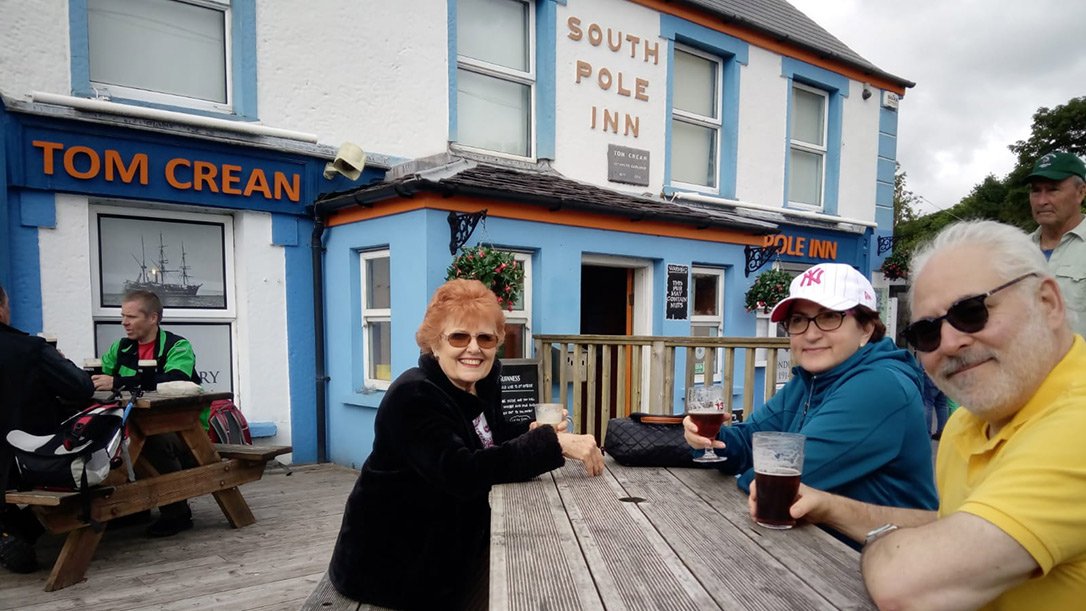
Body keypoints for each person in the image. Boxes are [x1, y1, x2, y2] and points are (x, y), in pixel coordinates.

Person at [765, 220, 1085, 609]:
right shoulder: (969, 421)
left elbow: (909, 587)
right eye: (928, 332)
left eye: (971, 312)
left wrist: (881, 546)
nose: (949, 343)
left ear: (1047, 302)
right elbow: (951, 526)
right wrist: (832, 508)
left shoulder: (1076, 422)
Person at [327, 279, 604, 609]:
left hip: (449, 548)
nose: (474, 348)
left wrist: (531, 430)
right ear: (435, 344)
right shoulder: (414, 395)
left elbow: (489, 435)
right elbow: (461, 471)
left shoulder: (476, 386)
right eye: (459, 336)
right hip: (394, 569)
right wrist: (551, 445)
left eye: (485, 337)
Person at [684, 263, 937, 528]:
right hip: (816, 546)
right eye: (798, 320)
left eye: (829, 316)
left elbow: (777, 486)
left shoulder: (881, 386)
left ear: (866, 328)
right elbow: (748, 443)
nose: (811, 334)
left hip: (872, 558)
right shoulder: (810, 381)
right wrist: (710, 439)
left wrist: (745, 473)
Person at [0, 284, 95, 573]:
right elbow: (81, 387)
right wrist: (61, 361)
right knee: (93, 445)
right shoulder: (30, 348)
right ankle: (18, 533)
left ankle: (11, 534)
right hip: (26, 459)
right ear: (1, 308)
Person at [93, 289, 203, 537]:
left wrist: (119, 382)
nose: (124, 322)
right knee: (111, 438)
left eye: (131, 317)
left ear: (153, 318)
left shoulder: (178, 346)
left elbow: (176, 379)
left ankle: (177, 513)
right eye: (123, 316)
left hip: (182, 428)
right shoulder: (120, 348)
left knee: (153, 441)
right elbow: (103, 376)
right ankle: (134, 509)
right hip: (134, 421)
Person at [1024, 150, 1086, 337]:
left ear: (1081, 192)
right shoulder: (1016, 251)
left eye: (1053, 189)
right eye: (1036, 190)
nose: (1042, 201)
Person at [921, 370, 948, 440]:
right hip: (944, 373)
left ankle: (926, 434)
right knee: (942, 404)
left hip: (930, 372)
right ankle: (942, 431)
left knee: (927, 404)